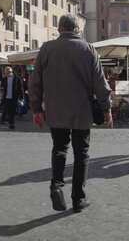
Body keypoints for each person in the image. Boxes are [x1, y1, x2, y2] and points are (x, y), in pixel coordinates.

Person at [29, 14, 113, 213]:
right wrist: (107, 109)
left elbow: (35, 82)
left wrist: (36, 109)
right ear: (77, 30)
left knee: (59, 149)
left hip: (56, 110)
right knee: (81, 153)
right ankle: (78, 199)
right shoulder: (88, 49)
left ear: (59, 29)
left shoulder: (47, 49)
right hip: (81, 111)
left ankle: (56, 186)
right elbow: (101, 84)